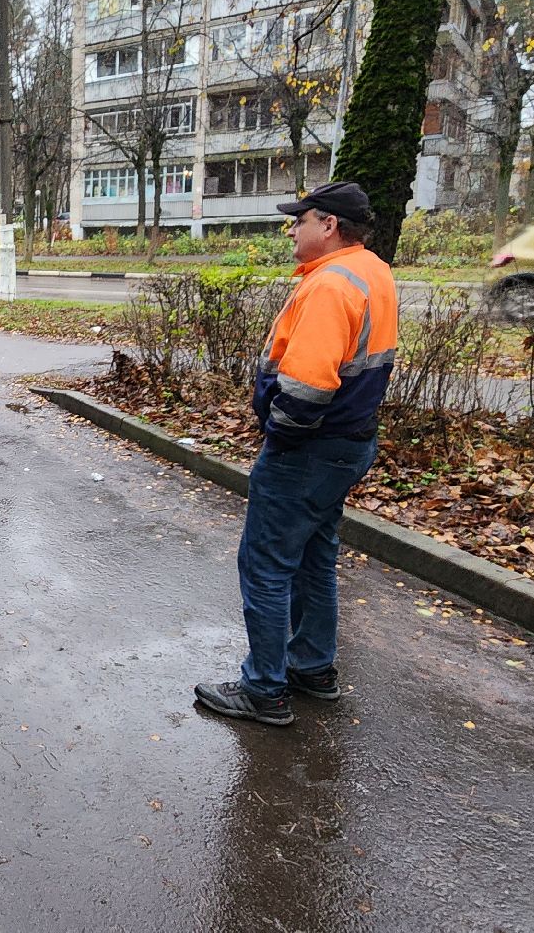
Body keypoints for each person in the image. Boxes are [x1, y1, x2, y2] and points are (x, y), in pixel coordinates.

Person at [194, 182, 398, 726]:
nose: (291, 228)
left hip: (308, 450)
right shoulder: (372, 271)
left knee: (266, 564)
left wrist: (280, 436)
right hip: (348, 444)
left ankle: (264, 689)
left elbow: (307, 389)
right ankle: (312, 667)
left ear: (329, 225)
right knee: (315, 557)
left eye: (299, 220)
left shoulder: (331, 286)